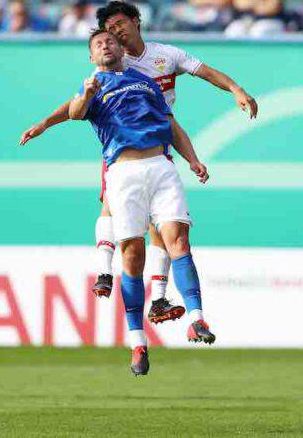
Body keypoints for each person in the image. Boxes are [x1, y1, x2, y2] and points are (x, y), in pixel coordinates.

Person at [21, 0, 257, 322]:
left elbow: (205, 72)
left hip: (158, 141)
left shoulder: (166, 55)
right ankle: (105, 271)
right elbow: (77, 103)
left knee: (163, 230)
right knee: (110, 206)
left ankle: (158, 299)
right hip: (123, 147)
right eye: (109, 30)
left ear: (135, 21)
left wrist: (235, 89)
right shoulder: (112, 62)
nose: (114, 32)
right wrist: (46, 123)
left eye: (118, 25)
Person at [68, 29, 215, 375]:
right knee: (133, 255)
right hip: (124, 171)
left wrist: (192, 159)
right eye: (97, 44)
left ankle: (197, 318)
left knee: (178, 238)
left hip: (161, 167)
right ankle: (137, 342)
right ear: (92, 57)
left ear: (121, 48)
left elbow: (170, 124)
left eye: (110, 41)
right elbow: (75, 113)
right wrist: (86, 95)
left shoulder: (145, 81)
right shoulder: (92, 85)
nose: (105, 45)